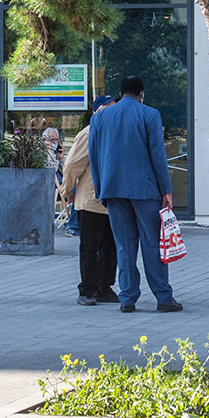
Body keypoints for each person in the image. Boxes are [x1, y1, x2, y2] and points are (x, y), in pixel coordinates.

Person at [88, 76, 183, 313]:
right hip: (145, 190)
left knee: (124, 246)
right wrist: (166, 189)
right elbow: (157, 155)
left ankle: (127, 298)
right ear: (141, 93)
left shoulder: (99, 117)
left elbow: (94, 156)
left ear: (120, 93)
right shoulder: (149, 114)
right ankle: (163, 298)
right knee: (153, 244)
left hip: (113, 189)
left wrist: (100, 189)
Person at [59, 95, 119, 306]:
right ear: (97, 111)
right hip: (90, 200)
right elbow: (72, 165)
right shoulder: (88, 133)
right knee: (90, 247)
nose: (113, 112)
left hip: (112, 200)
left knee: (110, 248)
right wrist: (67, 191)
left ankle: (105, 287)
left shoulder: (115, 132)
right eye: (109, 109)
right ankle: (87, 289)